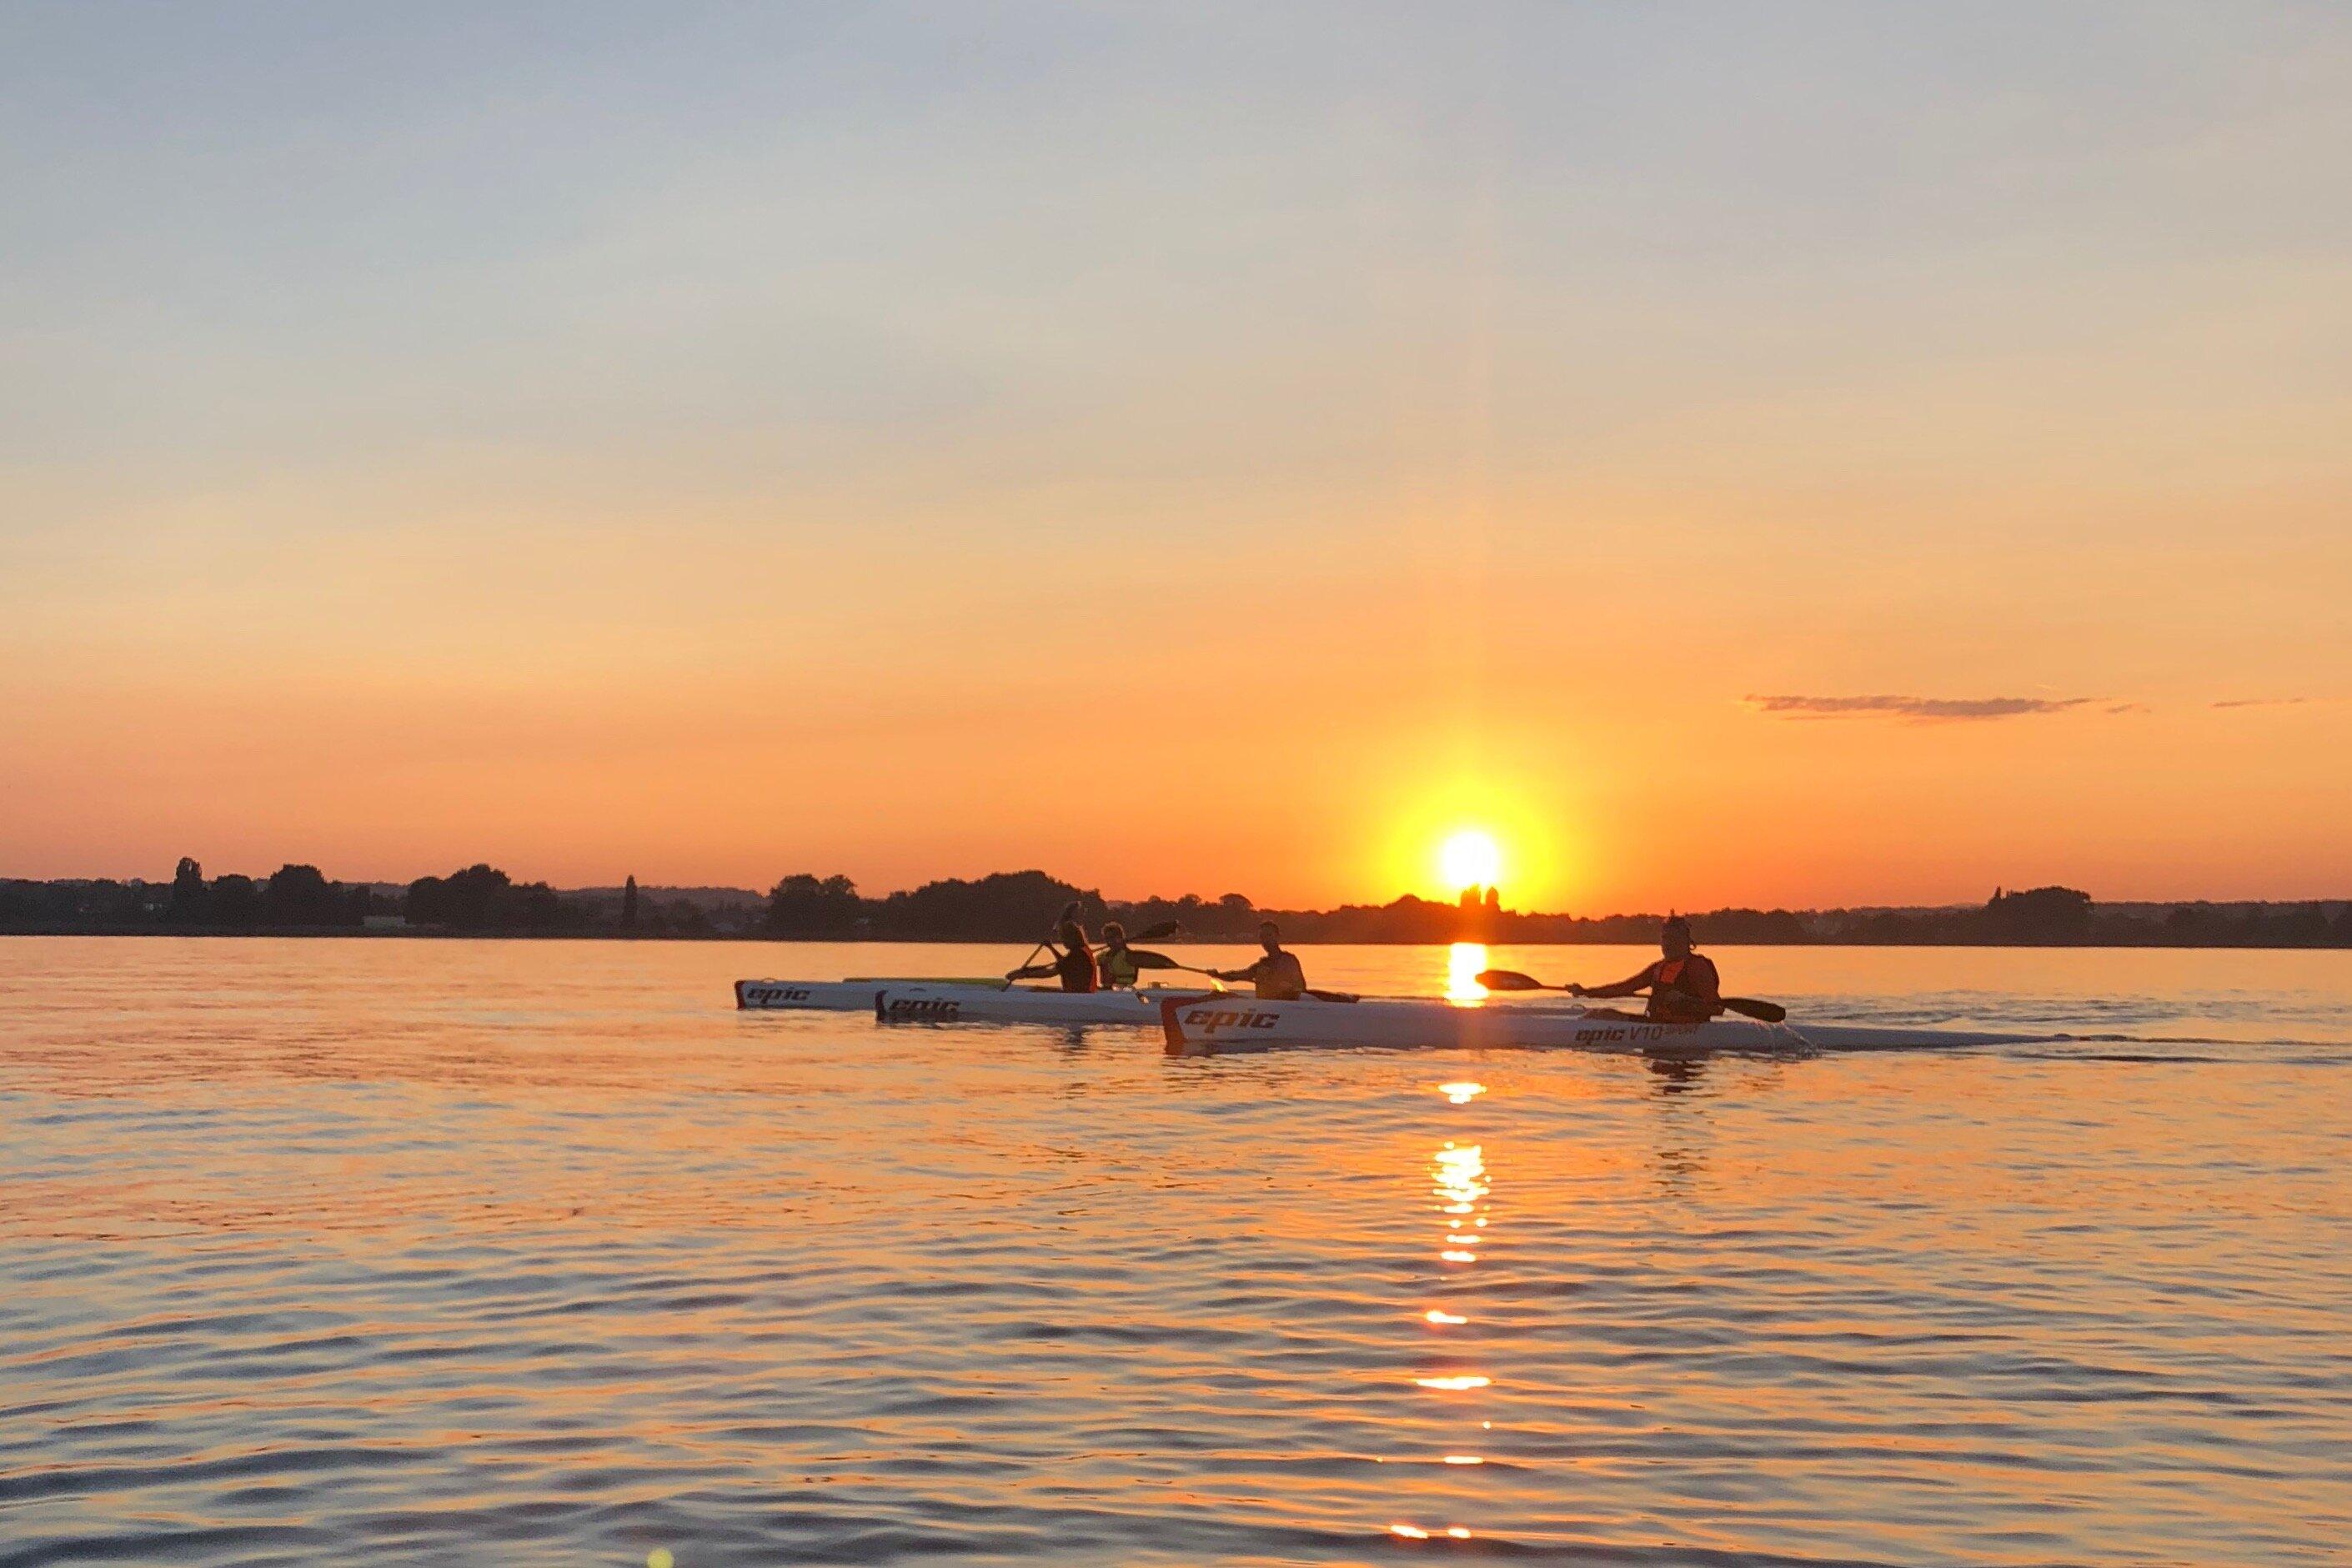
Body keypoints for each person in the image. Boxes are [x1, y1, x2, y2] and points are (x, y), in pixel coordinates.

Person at [1571, 915, 1721, 1023]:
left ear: (1687, 941)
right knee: (1600, 1015)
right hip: (1655, 1025)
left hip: (1687, 1030)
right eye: (1665, 939)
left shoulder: (1697, 967)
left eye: (1674, 939)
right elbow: (1623, 988)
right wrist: (1586, 992)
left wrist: (1686, 1001)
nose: (1668, 944)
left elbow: (1717, 1009)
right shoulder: (1658, 968)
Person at [1209, 920, 1307, 1000]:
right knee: (1219, 995)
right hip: (1263, 1006)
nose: (1265, 940)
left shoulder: (1288, 961)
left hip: (1283, 1007)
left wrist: (1285, 987)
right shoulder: (1261, 965)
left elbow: (1301, 988)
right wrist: (1218, 975)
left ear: (1277, 937)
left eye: (1269, 936)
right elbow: (1239, 975)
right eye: (1262, 937)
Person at [1007, 918, 1099, 993]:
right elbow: (1063, 963)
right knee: (1037, 989)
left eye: (1063, 938)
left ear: (1070, 938)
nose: (1061, 941)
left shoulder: (1077, 955)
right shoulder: (1082, 950)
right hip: (1080, 994)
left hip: (1076, 996)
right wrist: (1051, 948)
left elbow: (1051, 972)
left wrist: (1024, 975)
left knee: (1036, 990)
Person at [1096, 921, 1141, 989]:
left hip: (1126, 988)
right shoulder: (1102, 956)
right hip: (1108, 989)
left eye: (1112, 938)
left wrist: (1122, 946)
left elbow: (1134, 977)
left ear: (1120, 937)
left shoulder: (1129, 955)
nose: (1109, 941)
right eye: (1107, 938)